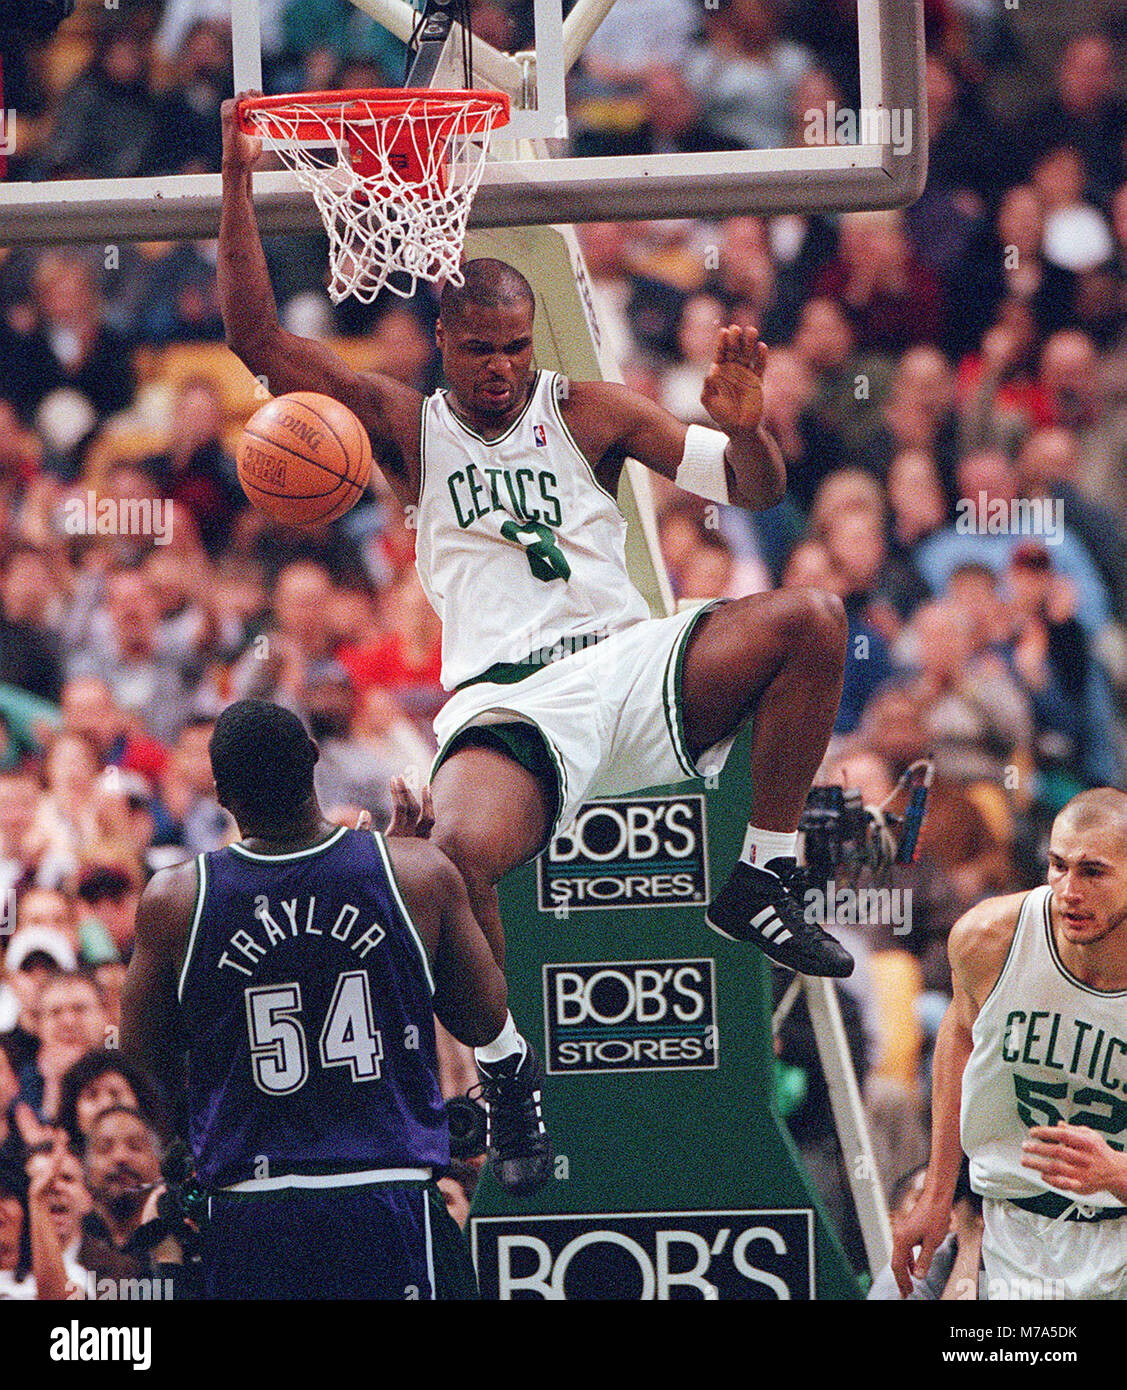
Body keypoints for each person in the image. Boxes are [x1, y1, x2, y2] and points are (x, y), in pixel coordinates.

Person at [217, 101, 853, 1018]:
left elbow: (753, 491)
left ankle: (764, 877)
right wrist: (239, 177)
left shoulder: (593, 410)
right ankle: (506, 1084)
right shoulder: (407, 427)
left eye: (515, 347)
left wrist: (744, 432)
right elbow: (255, 339)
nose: (501, 368)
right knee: (451, 861)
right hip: (507, 699)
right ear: (441, 343)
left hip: (628, 666)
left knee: (813, 619)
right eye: (480, 350)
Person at [120, 698, 526, 1299]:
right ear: (314, 762)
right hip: (388, 1198)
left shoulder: (177, 899)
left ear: (221, 795)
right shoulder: (412, 876)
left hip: (250, 1211)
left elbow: (141, 1066)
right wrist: (443, 885)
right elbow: (483, 1015)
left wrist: (197, 1124)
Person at [892, 789, 1127, 1300]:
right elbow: (960, 1035)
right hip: (1006, 1226)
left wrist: (1117, 1172)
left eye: (1093, 872)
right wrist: (936, 1195)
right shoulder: (989, 938)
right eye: (1058, 866)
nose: (1068, 890)